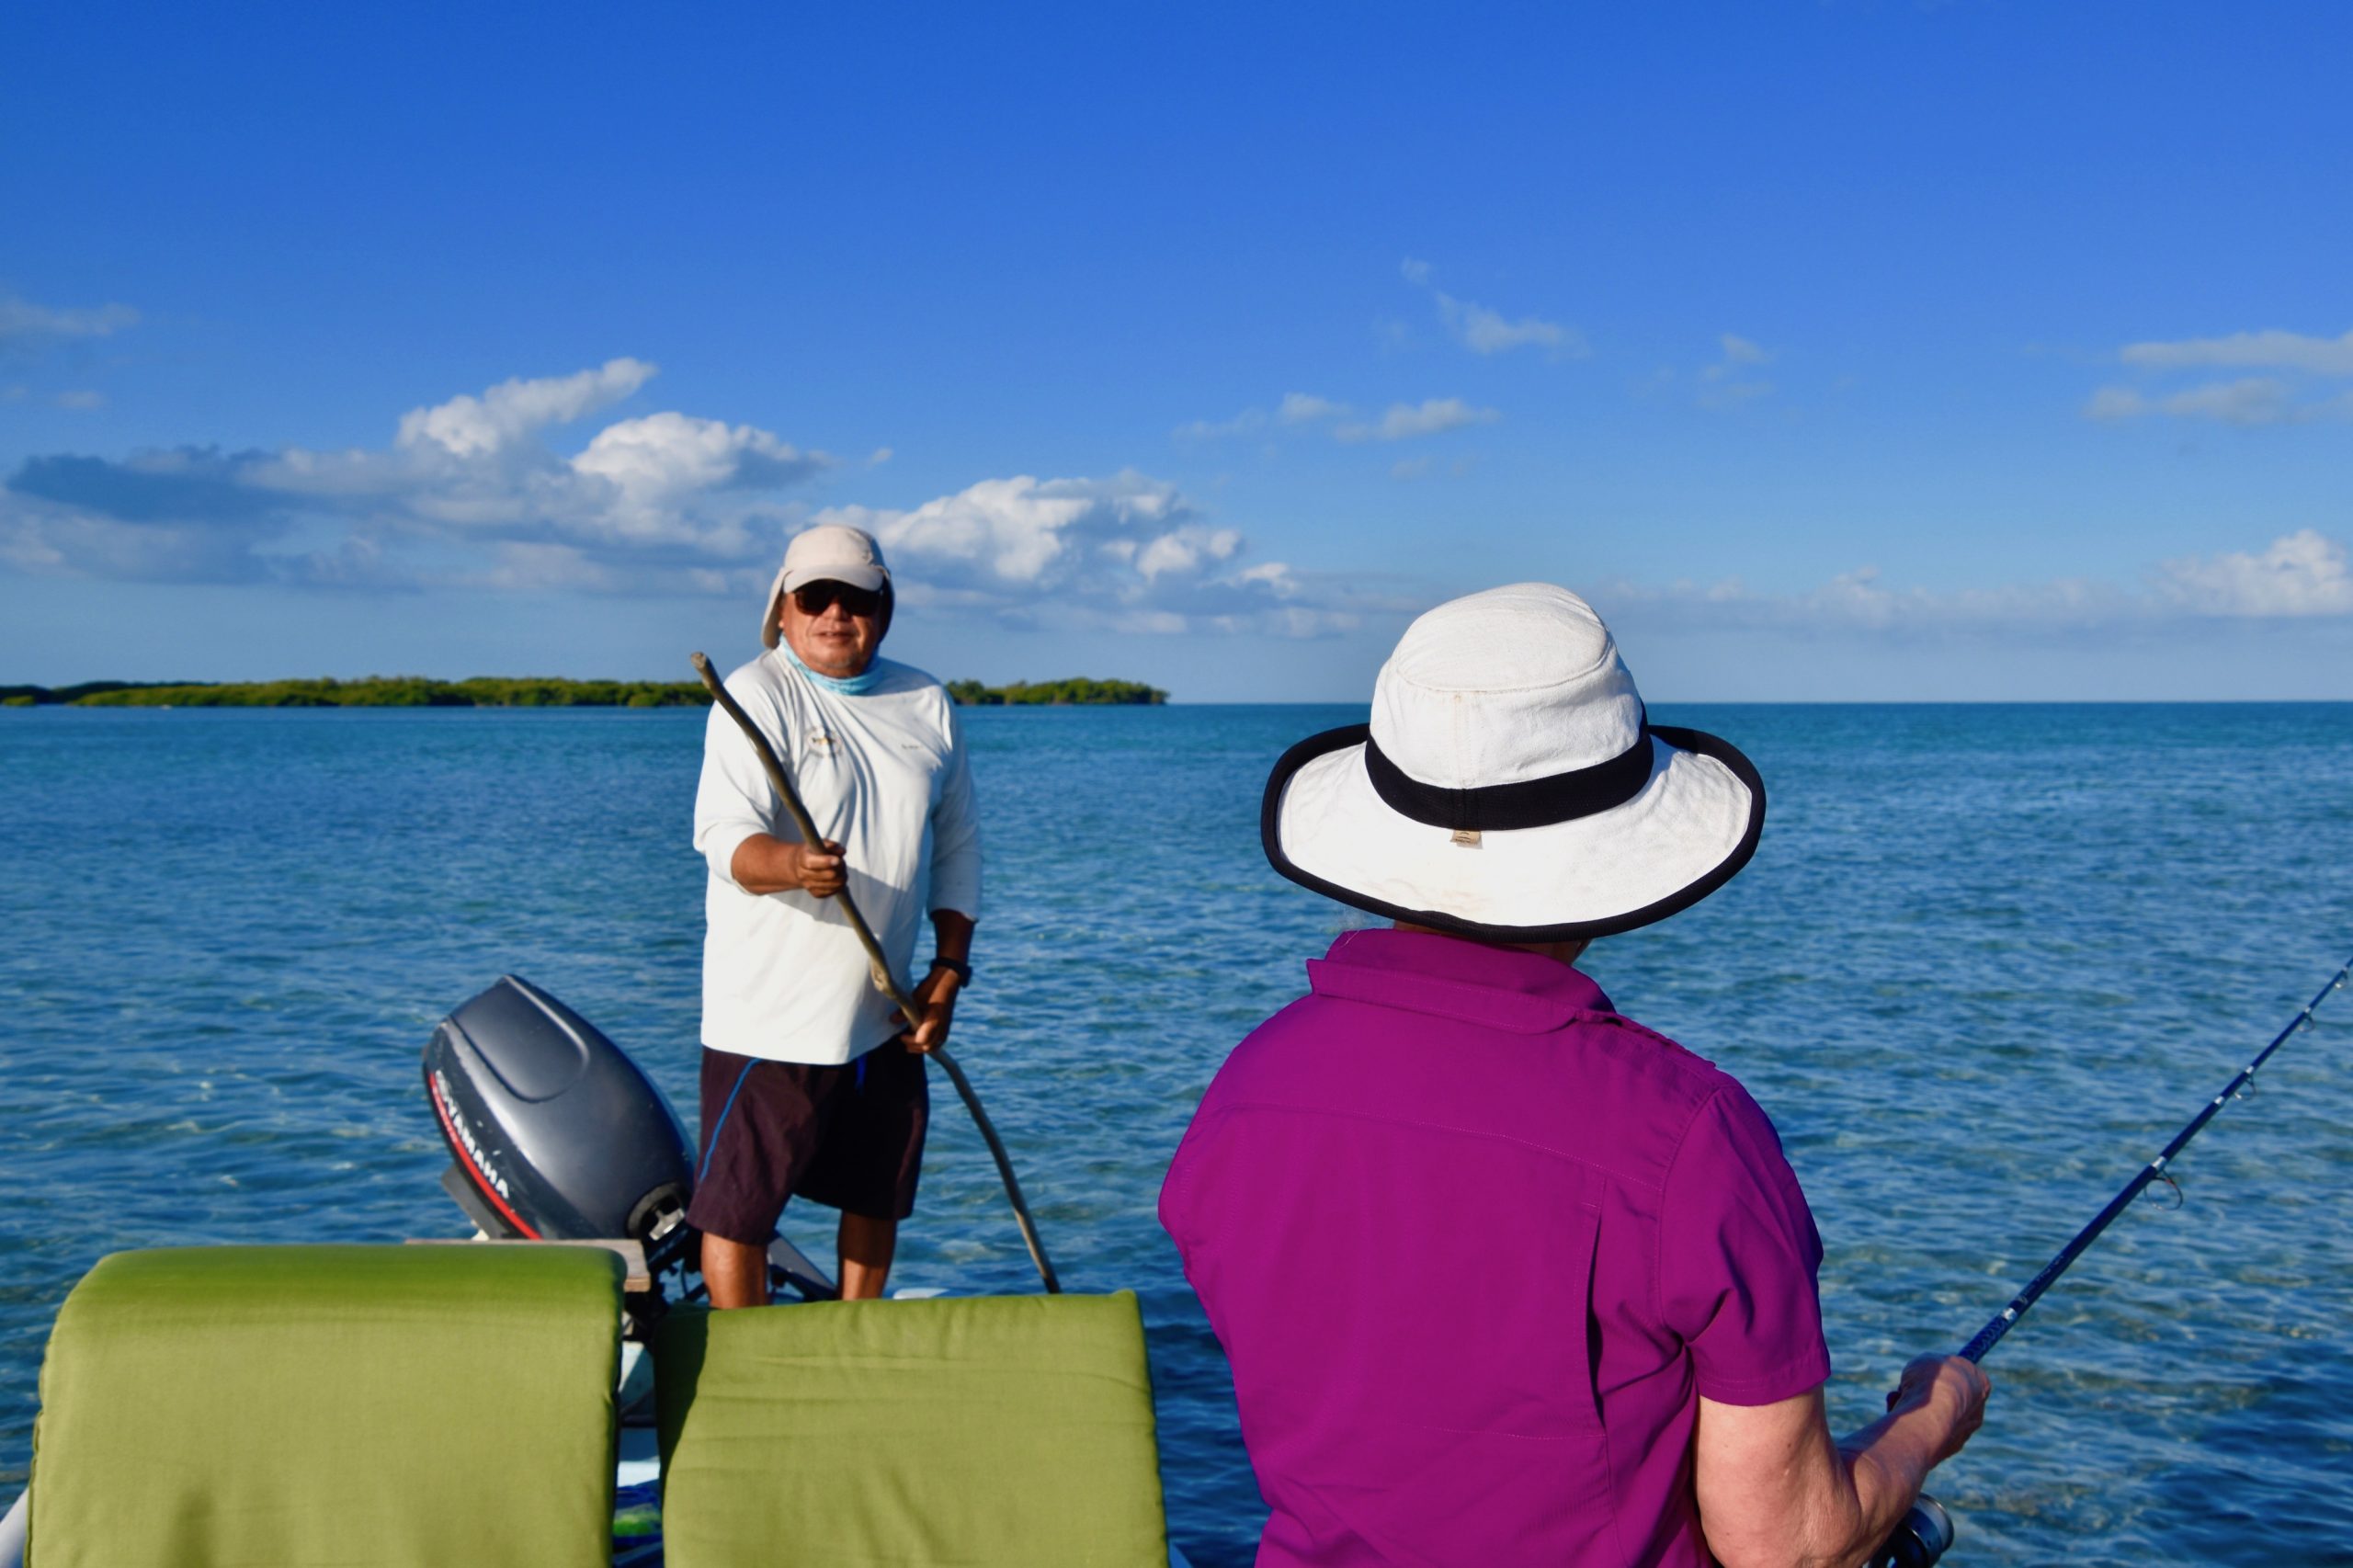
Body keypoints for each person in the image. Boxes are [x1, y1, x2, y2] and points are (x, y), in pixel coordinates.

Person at [1159, 584, 1988, 1567]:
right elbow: (1790, 1544)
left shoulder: (1246, 1091)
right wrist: (1929, 1417)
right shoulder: (1686, 1131)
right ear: (1617, 844)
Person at [688, 522, 980, 1306]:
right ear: (782, 608)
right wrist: (793, 866)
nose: (834, 614)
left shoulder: (926, 700)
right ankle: (742, 1370)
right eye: (815, 596)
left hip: (886, 1011)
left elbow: (959, 852)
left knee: (877, 1193)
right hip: (770, 1017)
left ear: (884, 609)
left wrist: (947, 974)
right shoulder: (755, 692)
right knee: (740, 1210)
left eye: (855, 598)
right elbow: (721, 837)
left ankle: (857, 1342)